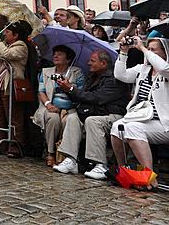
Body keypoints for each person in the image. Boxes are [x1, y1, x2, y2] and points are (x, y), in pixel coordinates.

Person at [52, 50, 130, 178]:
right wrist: (67, 88)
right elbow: (83, 98)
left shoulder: (114, 79)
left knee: (92, 121)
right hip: (95, 112)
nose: (88, 63)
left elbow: (96, 98)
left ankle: (100, 165)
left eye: (92, 61)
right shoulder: (92, 76)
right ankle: (71, 160)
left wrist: (72, 89)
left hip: (113, 115)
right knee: (73, 118)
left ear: (103, 63)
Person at [110, 37, 169, 177]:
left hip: (164, 124)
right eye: (148, 49)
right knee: (117, 127)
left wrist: (142, 48)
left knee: (132, 128)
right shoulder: (143, 69)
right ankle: (123, 170)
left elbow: (164, 67)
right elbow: (120, 75)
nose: (149, 53)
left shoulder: (166, 69)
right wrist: (124, 52)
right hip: (144, 119)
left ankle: (148, 176)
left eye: (153, 50)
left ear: (165, 53)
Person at [0, 20, 32, 158]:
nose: (5, 34)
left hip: (10, 86)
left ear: (16, 35)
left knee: (14, 117)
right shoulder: (4, 45)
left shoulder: (21, 46)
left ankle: (15, 146)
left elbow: (7, 54)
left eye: (8, 32)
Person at [33, 45, 85, 166]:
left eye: (60, 54)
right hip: (50, 106)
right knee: (53, 119)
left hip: (71, 108)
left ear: (68, 59)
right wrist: (48, 104)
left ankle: (66, 156)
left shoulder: (76, 73)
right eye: (55, 54)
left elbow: (81, 93)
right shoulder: (46, 72)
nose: (55, 56)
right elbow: (41, 91)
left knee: (69, 121)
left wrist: (69, 86)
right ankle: (50, 153)